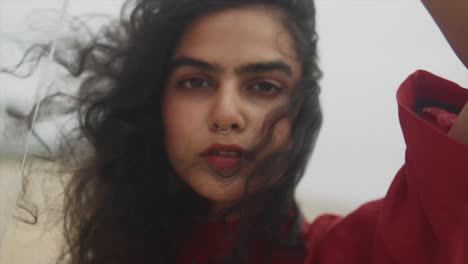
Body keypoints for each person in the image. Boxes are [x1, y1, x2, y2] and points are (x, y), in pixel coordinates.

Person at [2, 0, 467, 263]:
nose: (227, 114)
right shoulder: (119, 249)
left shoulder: (365, 251)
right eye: (196, 81)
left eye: (263, 85)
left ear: (300, 111)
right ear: (155, 103)